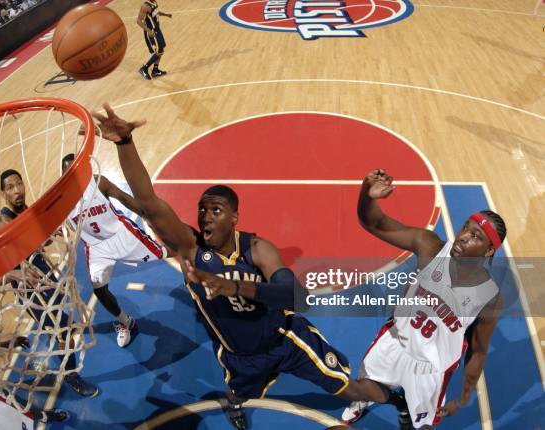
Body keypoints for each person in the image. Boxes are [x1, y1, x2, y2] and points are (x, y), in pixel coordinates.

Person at [86, 104, 400, 430]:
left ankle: (395, 400)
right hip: (240, 356)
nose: (206, 215)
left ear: (234, 217)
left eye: (216, 210)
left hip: (286, 341)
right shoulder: (191, 250)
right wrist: (124, 143)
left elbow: (297, 298)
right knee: (235, 392)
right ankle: (235, 402)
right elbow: (149, 203)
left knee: (348, 388)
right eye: (202, 209)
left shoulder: (257, 249)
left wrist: (235, 287)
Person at [340, 169, 506, 430]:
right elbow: (372, 223)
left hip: (431, 369)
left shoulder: (489, 298)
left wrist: (462, 399)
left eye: (476, 236)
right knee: (359, 389)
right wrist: (367, 194)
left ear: (488, 251)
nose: (463, 236)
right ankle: (388, 399)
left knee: (422, 428)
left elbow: (478, 351)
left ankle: (409, 406)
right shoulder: (430, 247)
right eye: (466, 227)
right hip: (396, 342)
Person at [0, 169, 99, 398]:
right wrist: (14, 275)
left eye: (18, 184)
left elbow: (36, 243)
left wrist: (51, 233)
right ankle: (72, 376)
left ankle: (68, 367)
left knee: (65, 327)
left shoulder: (25, 212)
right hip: (30, 291)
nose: (16, 190)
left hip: (44, 278)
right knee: (61, 330)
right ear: (3, 194)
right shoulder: (3, 224)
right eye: (10, 187)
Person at [62, 154, 168, 347]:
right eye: (69, 173)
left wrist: (149, 216)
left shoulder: (97, 182)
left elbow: (124, 199)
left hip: (121, 234)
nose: (73, 176)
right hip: (95, 248)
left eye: (76, 171)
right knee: (99, 290)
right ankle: (125, 321)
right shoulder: (61, 203)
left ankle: (198, 258)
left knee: (166, 253)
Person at [136, 0, 172, 80]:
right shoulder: (145, 6)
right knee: (159, 51)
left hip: (157, 29)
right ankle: (144, 68)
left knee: (161, 49)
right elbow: (138, 21)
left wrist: (166, 15)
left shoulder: (154, 2)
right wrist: (148, 30)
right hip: (151, 31)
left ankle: (155, 70)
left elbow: (156, 12)